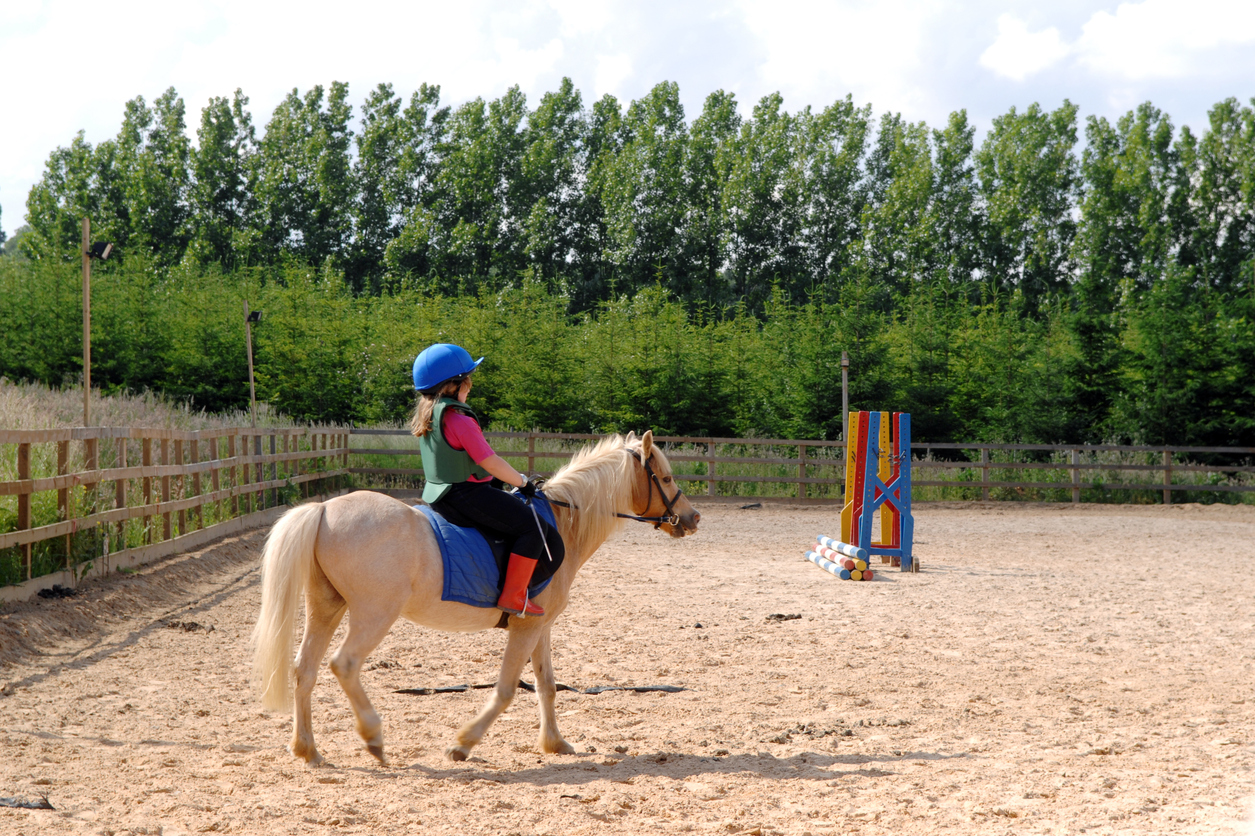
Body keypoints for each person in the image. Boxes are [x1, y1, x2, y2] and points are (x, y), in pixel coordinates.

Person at [409, 343, 565, 617]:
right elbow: (489, 461)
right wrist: (522, 482)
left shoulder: (430, 414)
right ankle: (514, 596)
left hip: (440, 495)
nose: (470, 386)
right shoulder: (458, 418)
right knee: (533, 529)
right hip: (467, 495)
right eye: (467, 381)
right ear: (454, 385)